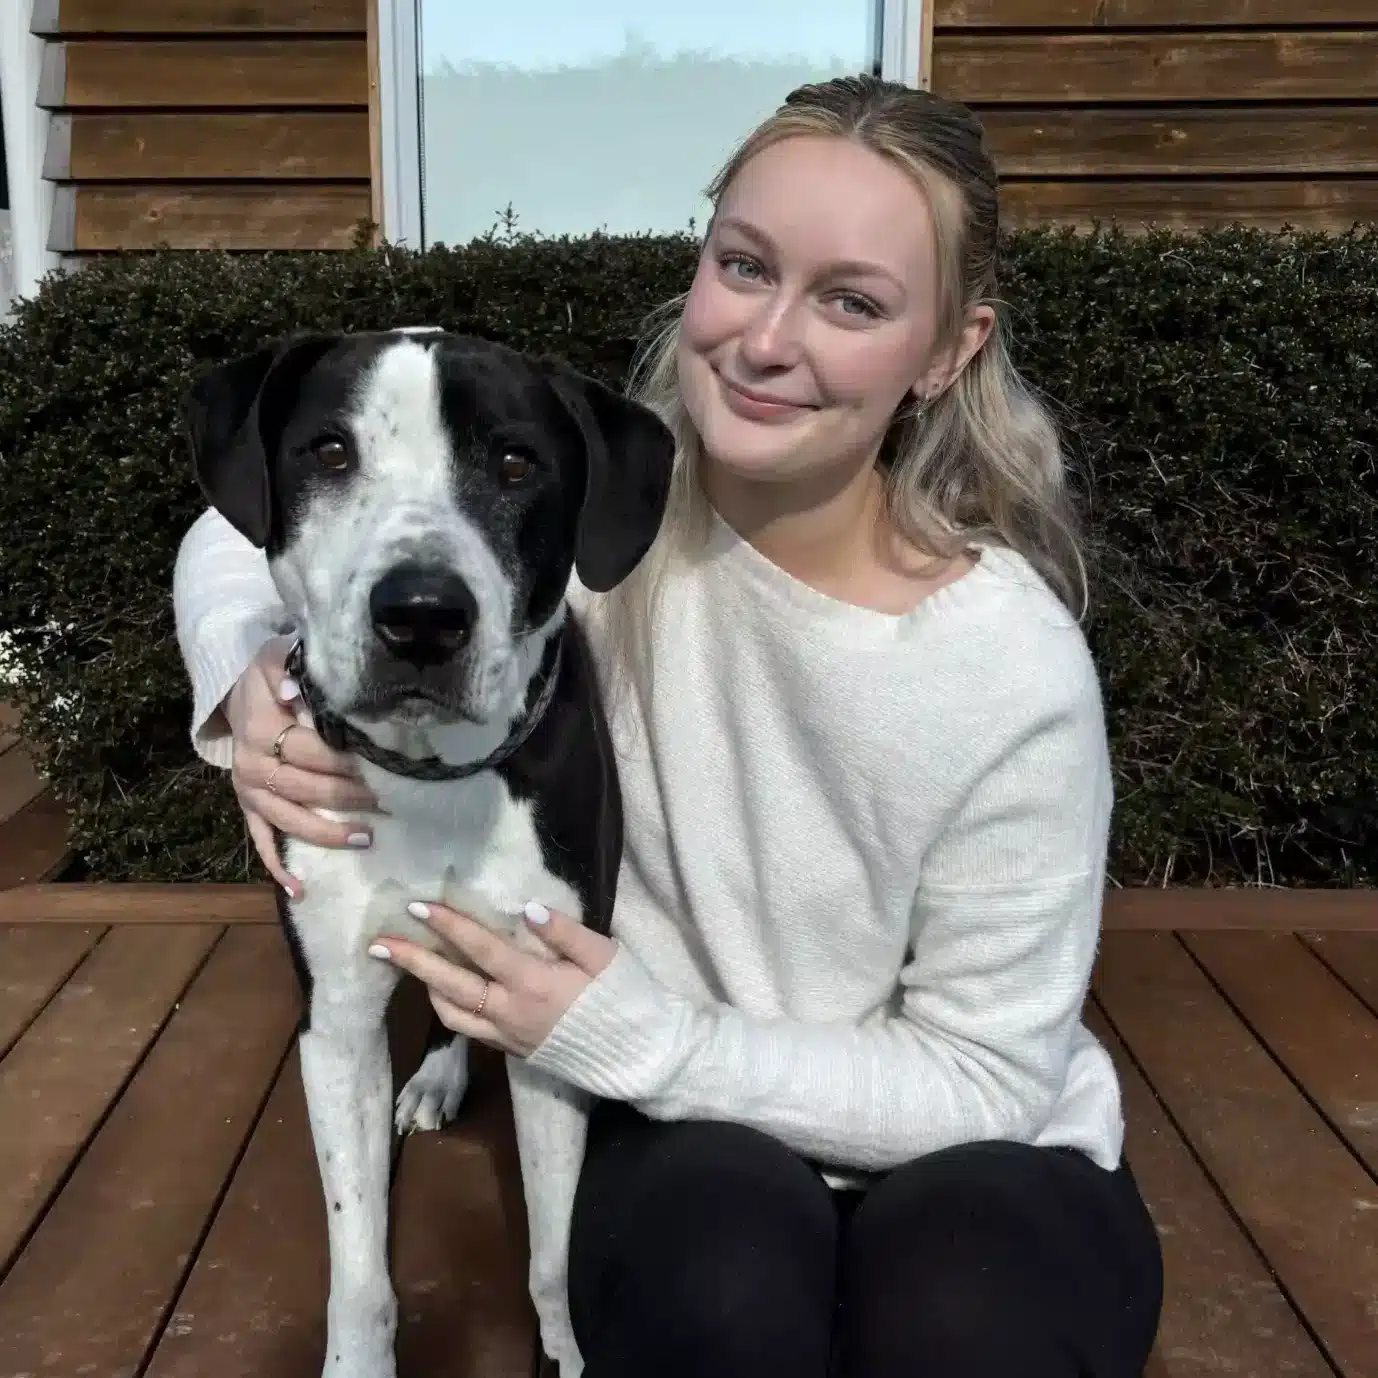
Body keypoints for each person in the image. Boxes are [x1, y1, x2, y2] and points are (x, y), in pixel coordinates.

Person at [173, 74, 1163, 1378]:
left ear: (945, 349)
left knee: (963, 1325)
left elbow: (985, 1077)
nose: (764, 339)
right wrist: (244, 679)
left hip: (962, 1137)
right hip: (680, 1132)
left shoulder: (1007, 670)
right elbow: (250, 526)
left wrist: (647, 1037)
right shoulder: (605, 532)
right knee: (714, 1306)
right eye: (743, 265)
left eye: (850, 299)